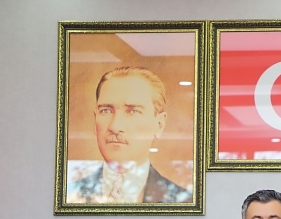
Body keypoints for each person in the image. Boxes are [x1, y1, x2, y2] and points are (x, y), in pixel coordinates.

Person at [67, 66, 191, 204]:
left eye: (133, 111)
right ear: (95, 120)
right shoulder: (68, 197)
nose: (115, 126)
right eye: (106, 111)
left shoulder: (184, 202)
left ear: (159, 124)